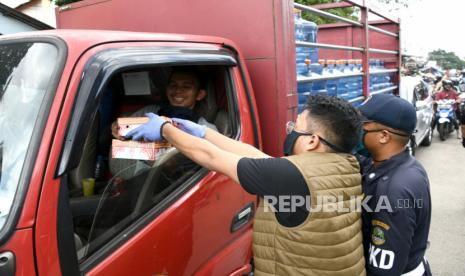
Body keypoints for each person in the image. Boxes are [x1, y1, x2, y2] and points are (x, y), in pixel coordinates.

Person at [125, 95, 366, 275]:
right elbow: (257, 157)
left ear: (313, 141)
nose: (290, 130)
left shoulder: (290, 176)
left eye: (296, 127)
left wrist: (165, 130)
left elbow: (211, 158)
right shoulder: (343, 166)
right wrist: (202, 133)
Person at [356, 94, 432, 276]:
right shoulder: (404, 164)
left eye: (363, 125)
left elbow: (384, 269)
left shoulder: (394, 190)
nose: (357, 130)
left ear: (383, 136)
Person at [109, 67, 217, 180]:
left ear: (199, 94)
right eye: (173, 85)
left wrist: (173, 165)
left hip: (173, 191)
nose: (178, 90)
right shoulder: (151, 111)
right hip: (136, 177)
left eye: (186, 86)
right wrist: (116, 127)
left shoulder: (205, 130)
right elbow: (121, 128)